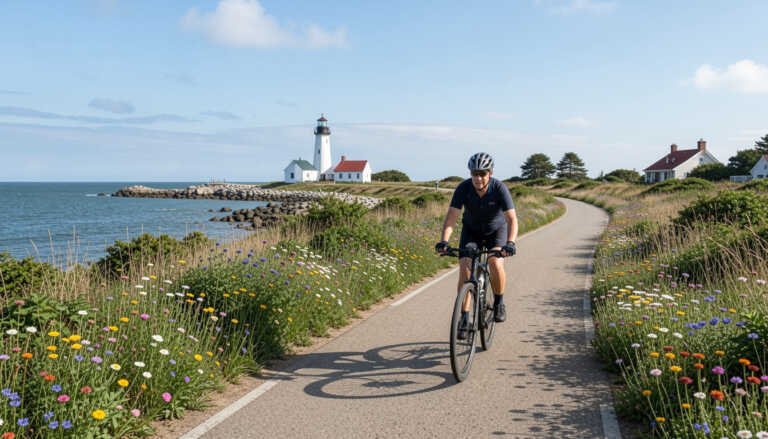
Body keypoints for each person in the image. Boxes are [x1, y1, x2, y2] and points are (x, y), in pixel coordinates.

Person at [435, 152, 518, 335]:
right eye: (475, 174)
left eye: (482, 174)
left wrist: (510, 243)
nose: (478, 178)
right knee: (465, 266)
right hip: (471, 231)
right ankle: (464, 318)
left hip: (495, 232)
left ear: (490, 173)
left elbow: (511, 219)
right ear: (470, 173)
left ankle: (499, 302)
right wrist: (444, 241)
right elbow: (451, 218)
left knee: (494, 262)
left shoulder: (499, 188)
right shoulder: (463, 188)